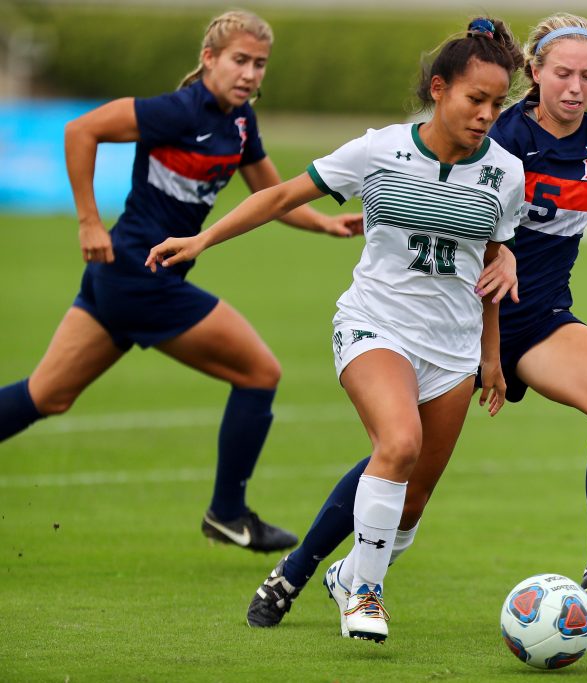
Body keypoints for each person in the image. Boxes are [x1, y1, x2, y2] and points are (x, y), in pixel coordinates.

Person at [294, 12, 587, 616]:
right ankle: (300, 567)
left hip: (541, 321)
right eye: (564, 73)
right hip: (462, 328)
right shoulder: (500, 138)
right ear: (535, 72)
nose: (576, 87)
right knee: (399, 457)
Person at [147, 17, 526, 643]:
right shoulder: (380, 150)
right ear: (438, 88)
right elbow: (279, 196)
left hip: (454, 351)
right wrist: (204, 238)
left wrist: (491, 354)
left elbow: (491, 263)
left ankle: (306, 572)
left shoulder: (505, 173)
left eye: (496, 103)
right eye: (475, 99)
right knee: (398, 444)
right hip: (375, 326)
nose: (487, 113)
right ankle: (365, 594)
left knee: (411, 498)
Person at [0, 10, 362, 551]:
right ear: (209, 59)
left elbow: (271, 195)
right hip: (140, 275)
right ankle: (228, 513)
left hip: (120, 278)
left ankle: (227, 513)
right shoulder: (176, 111)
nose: (249, 74)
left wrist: (326, 224)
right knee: (260, 372)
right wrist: (88, 220)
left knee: (46, 395)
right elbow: (82, 130)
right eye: (239, 60)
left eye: (259, 64)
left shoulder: (241, 123)